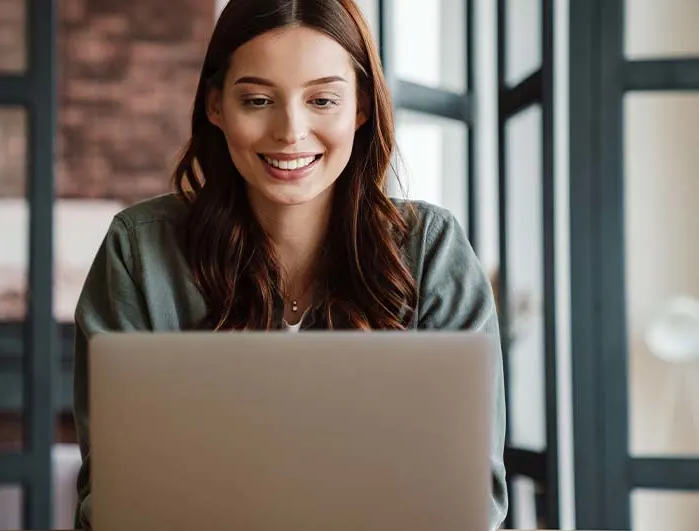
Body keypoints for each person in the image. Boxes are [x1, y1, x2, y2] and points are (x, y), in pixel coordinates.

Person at [71, 0, 509, 529]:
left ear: (362, 107)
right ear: (215, 106)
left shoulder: (431, 250)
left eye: (323, 99)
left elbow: (472, 499)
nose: (290, 131)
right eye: (257, 100)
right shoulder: (139, 251)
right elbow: (114, 495)